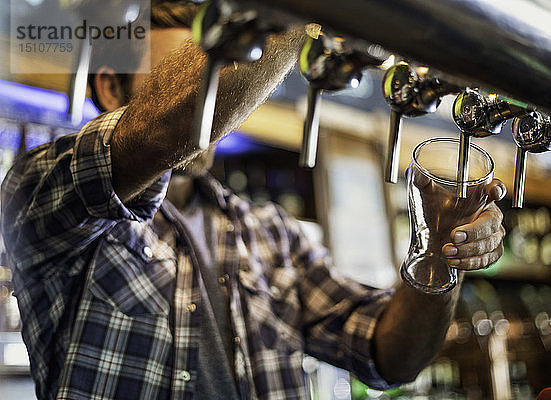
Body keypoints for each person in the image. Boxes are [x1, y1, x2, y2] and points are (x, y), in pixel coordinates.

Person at [1, 2, 506, 399]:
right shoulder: (42, 189)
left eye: (230, 67)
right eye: (198, 73)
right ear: (111, 87)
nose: (222, 96)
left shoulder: (271, 234)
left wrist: (438, 259)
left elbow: (388, 355)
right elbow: (167, 131)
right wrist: (299, 16)